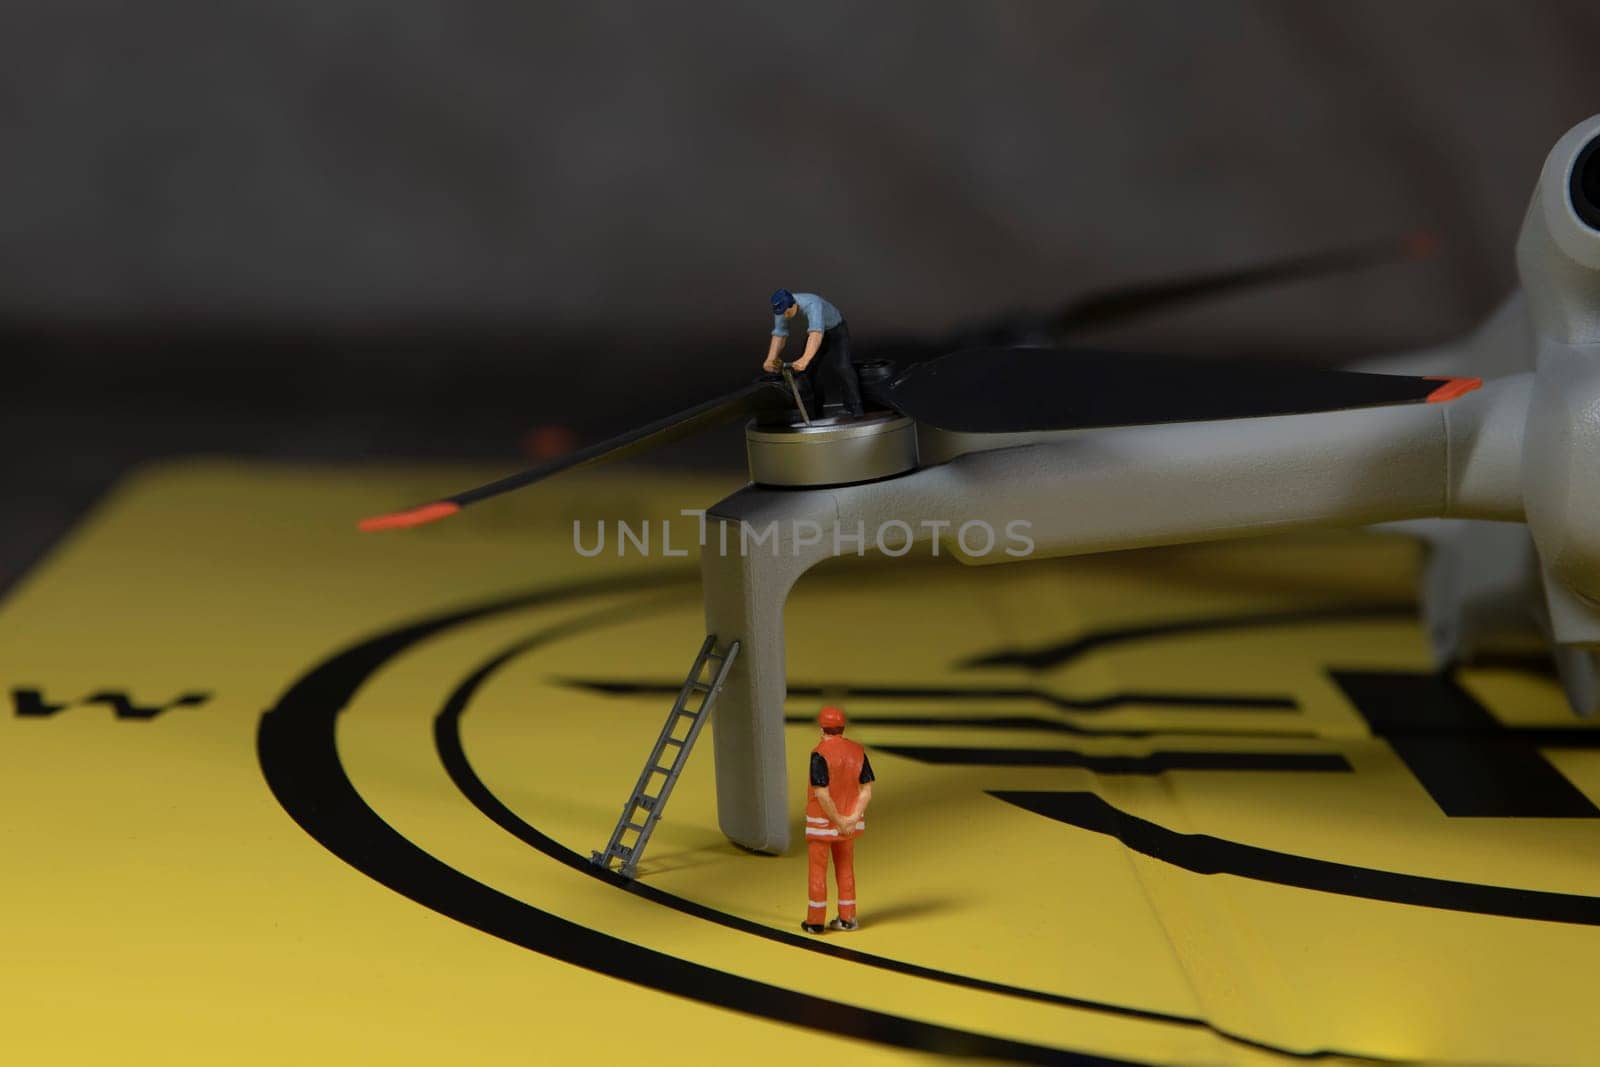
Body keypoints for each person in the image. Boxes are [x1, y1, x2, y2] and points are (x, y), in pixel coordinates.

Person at [802, 705, 875, 933]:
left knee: (817, 871)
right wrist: (851, 819)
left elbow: (821, 792)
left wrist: (837, 820)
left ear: (821, 728)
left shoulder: (819, 754)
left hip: (822, 825)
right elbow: (866, 790)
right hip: (849, 827)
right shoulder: (858, 752)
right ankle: (847, 918)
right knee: (845, 869)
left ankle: (815, 922)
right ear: (842, 728)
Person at [762, 289, 865, 418]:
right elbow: (779, 334)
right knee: (807, 371)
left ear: (794, 305)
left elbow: (816, 334)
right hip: (815, 334)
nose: (785, 315)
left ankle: (855, 407)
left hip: (836, 331)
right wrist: (771, 358)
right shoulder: (781, 307)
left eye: (787, 312)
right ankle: (816, 410)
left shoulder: (812, 303)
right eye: (781, 312)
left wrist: (805, 359)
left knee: (842, 367)